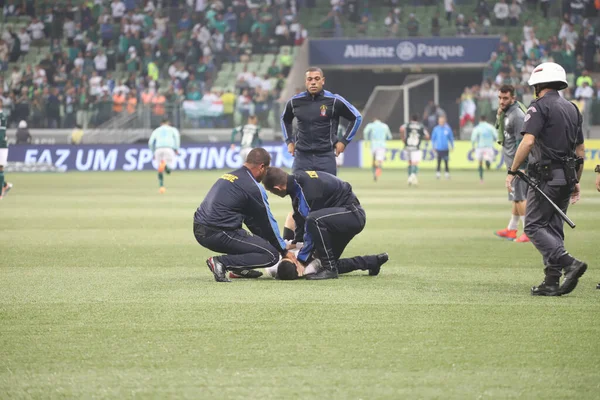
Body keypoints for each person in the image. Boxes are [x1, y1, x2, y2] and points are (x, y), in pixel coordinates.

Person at [505, 62, 587, 296]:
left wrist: (512, 171)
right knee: (553, 227)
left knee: (532, 225)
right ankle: (551, 281)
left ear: (538, 84)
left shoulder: (539, 107)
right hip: (567, 176)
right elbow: (580, 150)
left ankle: (569, 263)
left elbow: (528, 141)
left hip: (546, 176)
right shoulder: (572, 108)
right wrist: (576, 181)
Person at [262, 167, 388, 280]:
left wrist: (301, 260)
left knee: (314, 220)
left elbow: (310, 225)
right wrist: (296, 242)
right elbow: (300, 219)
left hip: (351, 214)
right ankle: (371, 262)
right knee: (325, 260)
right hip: (337, 218)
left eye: (273, 192)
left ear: (278, 188)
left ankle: (330, 270)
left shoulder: (307, 191)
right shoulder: (296, 184)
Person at [193, 148, 296, 283]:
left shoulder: (230, 176)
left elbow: (252, 222)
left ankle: (238, 269)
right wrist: (282, 250)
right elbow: (266, 223)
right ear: (262, 167)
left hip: (200, 229)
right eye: (266, 170)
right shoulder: (252, 187)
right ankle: (221, 262)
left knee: (253, 242)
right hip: (218, 232)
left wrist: (264, 242)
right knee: (271, 255)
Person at [281, 67, 362, 176]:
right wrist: (289, 141)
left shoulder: (334, 101)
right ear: (306, 82)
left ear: (322, 81)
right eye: (310, 79)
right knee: (298, 190)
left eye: (317, 79)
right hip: (302, 157)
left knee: (328, 191)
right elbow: (284, 119)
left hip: (326, 157)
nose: (313, 82)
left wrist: (344, 141)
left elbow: (356, 117)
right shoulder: (294, 102)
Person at [494, 85, 529, 243]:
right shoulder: (506, 112)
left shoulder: (517, 115)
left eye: (505, 98)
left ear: (513, 98)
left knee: (520, 197)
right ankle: (511, 229)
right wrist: (499, 114)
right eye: (500, 98)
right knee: (515, 197)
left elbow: (522, 143)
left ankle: (529, 231)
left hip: (517, 166)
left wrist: (520, 167)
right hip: (511, 165)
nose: (501, 101)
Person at [148, 119, 180, 194]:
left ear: (161, 123)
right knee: (169, 169)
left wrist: (153, 152)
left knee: (160, 168)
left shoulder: (156, 130)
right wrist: (176, 148)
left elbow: (150, 142)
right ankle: (165, 166)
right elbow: (177, 138)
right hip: (169, 149)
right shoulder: (172, 129)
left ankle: (161, 186)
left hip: (158, 149)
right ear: (168, 123)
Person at [400, 114, 429, 186]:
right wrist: (423, 138)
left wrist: (403, 138)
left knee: (410, 162)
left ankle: (411, 177)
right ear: (418, 119)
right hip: (416, 148)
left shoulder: (408, 124)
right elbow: (427, 136)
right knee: (415, 163)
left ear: (411, 118)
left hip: (407, 147)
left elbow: (401, 129)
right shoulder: (421, 126)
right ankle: (412, 176)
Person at [363, 117, 392, 182]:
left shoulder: (371, 125)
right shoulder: (385, 126)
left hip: (373, 145)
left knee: (373, 160)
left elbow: (365, 131)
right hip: (382, 145)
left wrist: (367, 139)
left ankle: (374, 173)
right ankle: (377, 171)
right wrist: (386, 138)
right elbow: (389, 136)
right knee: (379, 161)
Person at [470, 115, 497, 183]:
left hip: (480, 147)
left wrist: (473, 146)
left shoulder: (477, 128)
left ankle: (481, 179)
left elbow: (473, 138)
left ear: (480, 120)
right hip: (489, 147)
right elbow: (496, 135)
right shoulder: (490, 127)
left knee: (480, 163)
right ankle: (487, 161)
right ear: (486, 119)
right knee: (488, 159)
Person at [0, 100, 13, 200]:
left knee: (0, 168)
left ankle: (2, 190)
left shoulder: (2, 116)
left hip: (1, 145)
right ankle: (4, 186)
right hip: (2, 145)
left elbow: (1, 134)